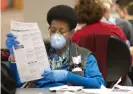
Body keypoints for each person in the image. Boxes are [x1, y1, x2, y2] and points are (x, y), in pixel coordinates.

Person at [6, 5, 105, 88]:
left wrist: (67, 76)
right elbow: (17, 84)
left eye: (62, 31)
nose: (56, 34)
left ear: (71, 33)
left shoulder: (82, 55)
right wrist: (14, 56)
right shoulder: (38, 52)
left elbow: (99, 84)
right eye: (53, 30)